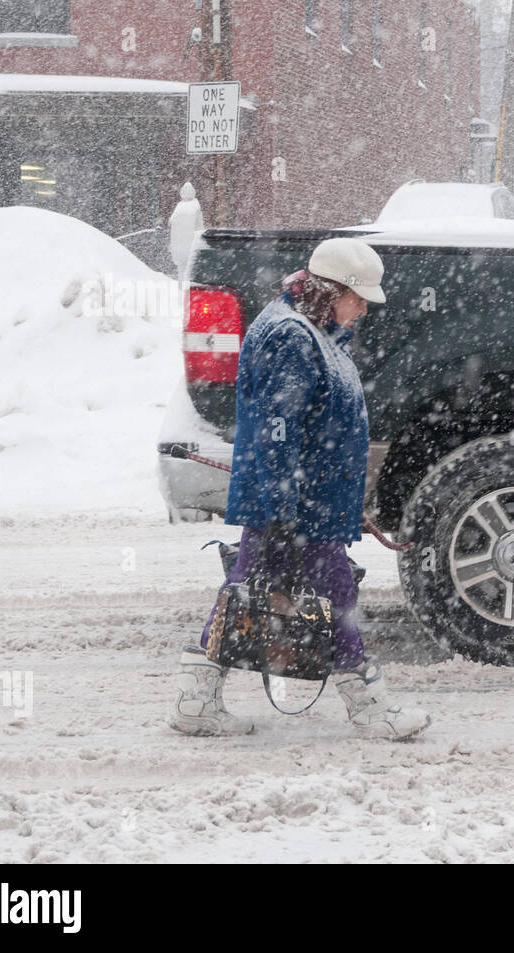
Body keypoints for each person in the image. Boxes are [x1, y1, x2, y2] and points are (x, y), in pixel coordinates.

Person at [167, 237, 431, 741]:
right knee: (332, 596)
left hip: (305, 502)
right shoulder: (292, 337)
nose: (362, 311)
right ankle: (370, 709)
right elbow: (278, 429)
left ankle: (195, 700)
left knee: (245, 591)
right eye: (358, 299)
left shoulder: (315, 330)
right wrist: (286, 511)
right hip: (293, 506)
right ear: (332, 291)